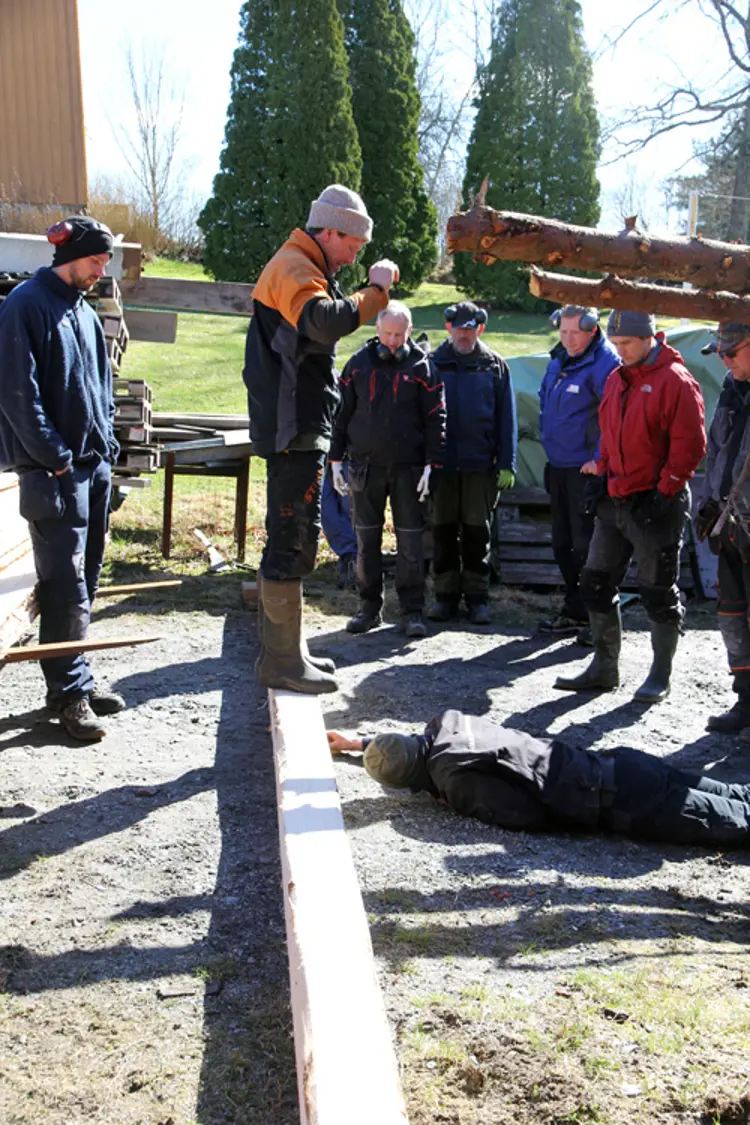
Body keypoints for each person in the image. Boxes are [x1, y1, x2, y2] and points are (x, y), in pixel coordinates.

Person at [244, 184, 399, 694]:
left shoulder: (306, 268)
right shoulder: (293, 267)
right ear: (328, 231)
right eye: (353, 243)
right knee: (292, 540)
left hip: (299, 424)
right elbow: (322, 322)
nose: (357, 254)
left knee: (297, 539)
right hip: (292, 429)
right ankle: (281, 662)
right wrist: (375, 295)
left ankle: (286, 652)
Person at [0, 217, 123, 742]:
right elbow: (16, 393)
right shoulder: (26, 305)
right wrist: (53, 456)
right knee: (64, 583)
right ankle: (69, 698)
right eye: (96, 261)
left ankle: (78, 679)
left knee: (87, 576)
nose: (102, 271)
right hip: (52, 473)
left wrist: (108, 447)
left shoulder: (84, 312)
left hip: (91, 467)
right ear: (70, 255)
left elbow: (102, 386)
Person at [554, 310, 706, 704]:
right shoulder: (616, 379)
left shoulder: (676, 382)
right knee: (595, 581)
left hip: (656, 503)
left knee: (657, 590)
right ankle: (604, 668)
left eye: (627, 345)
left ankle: (660, 674)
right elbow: (610, 433)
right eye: (616, 345)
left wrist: (666, 489)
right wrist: (601, 474)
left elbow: (690, 445)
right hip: (615, 499)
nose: (620, 352)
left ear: (651, 337)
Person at [327, 709, 750, 848]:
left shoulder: (453, 781)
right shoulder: (447, 721)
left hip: (620, 803)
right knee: (735, 793)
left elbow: (521, 813)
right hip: (623, 765)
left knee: (739, 825)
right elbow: (408, 747)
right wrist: (356, 743)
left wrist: (582, 827)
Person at [329, 300, 445, 637]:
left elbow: (437, 418)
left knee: (410, 544)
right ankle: (368, 608)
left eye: (399, 334)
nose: (393, 341)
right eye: (387, 334)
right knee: (366, 541)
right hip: (365, 467)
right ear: (377, 331)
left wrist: (431, 464)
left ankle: (412, 612)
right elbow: (341, 414)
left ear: (409, 331)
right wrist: (335, 459)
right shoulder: (358, 366)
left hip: (409, 469)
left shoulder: (423, 368)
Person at [427, 302, 517, 626]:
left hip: (480, 465)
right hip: (442, 465)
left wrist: (508, 462)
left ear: (480, 329)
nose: (463, 335)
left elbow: (508, 419)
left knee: (478, 534)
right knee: (442, 532)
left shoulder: (494, 366)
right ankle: (444, 597)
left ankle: (478, 599)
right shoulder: (434, 363)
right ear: (448, 328)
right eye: (458, 328)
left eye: (469, 328)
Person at [537, 305, 620, 638]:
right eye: (564, 332)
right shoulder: (559, 359)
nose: (569, 340)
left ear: (592, 330)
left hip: (584, 470)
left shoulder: (605, 363)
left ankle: (594, 616)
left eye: (576, 333)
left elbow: (613, 415)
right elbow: (545, 398)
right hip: (558, 466)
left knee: (586, 546)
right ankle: (576, 609)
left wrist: (599, 457)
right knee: (562, 543)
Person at [695, 322, 750, 733]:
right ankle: (746, 700)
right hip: (730, 525)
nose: (724, 360)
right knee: (732, 615)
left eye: (732, 352)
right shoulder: (732, 390)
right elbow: (715, 449)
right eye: (720, 353)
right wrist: (709, 503)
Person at [321, 461, 357, 589]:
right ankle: (349, 555)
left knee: (351, 506)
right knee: (326, 510)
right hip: (323, 453)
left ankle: (355, 562)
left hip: (352, 453)